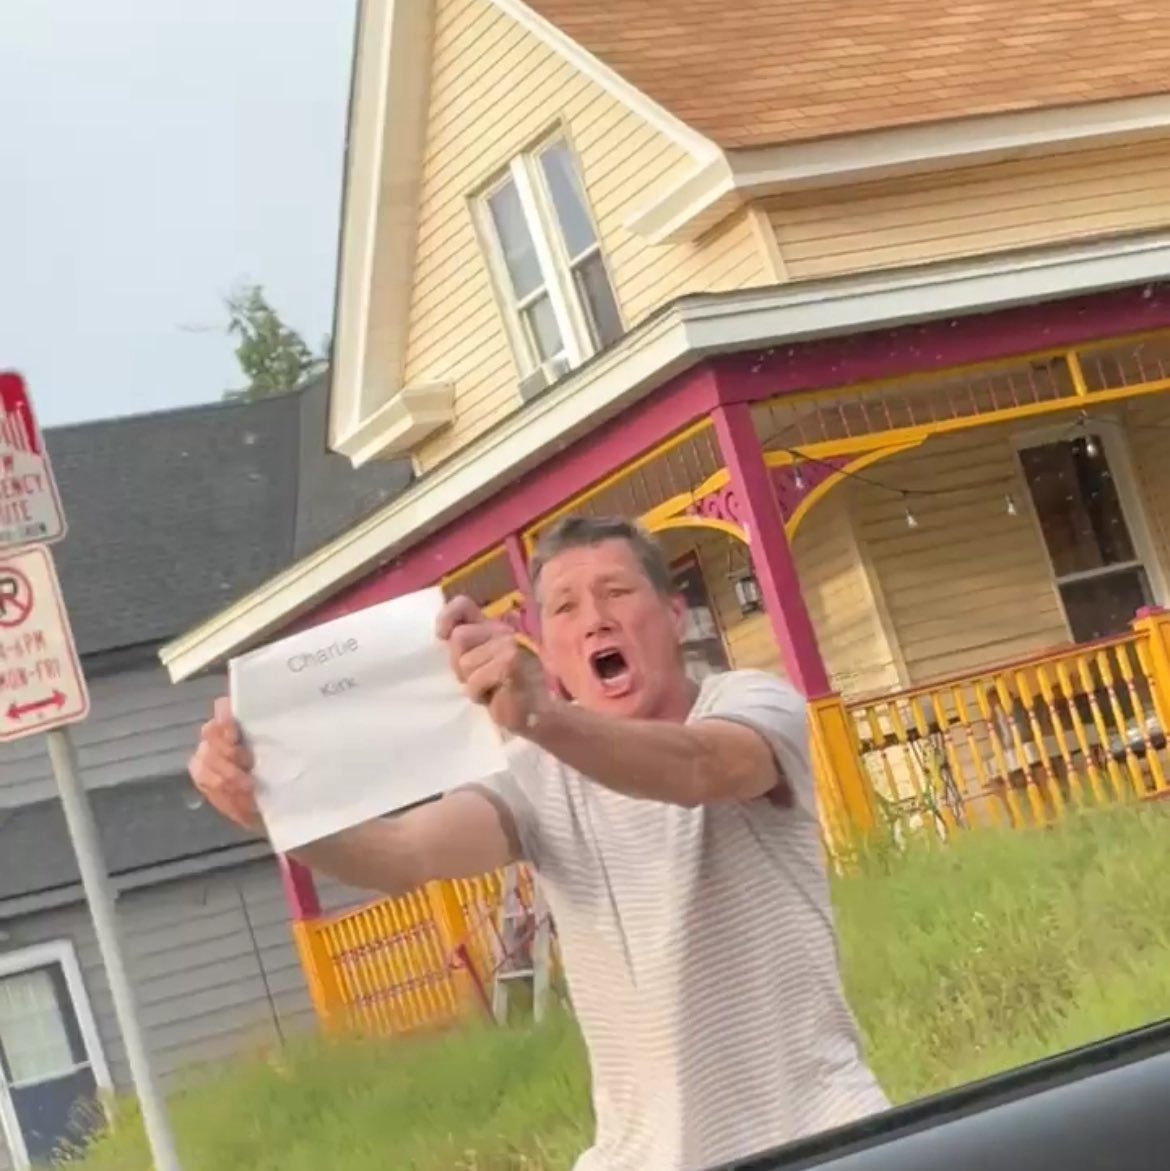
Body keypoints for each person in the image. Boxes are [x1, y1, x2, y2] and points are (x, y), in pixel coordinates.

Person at [188, 515, 888, 1171]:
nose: (596, 619)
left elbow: (700, 768)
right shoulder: (532, 774)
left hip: (818, 1131)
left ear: (675, 615)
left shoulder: (752, 703)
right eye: (565, 607)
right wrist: (277, 811)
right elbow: (401, 852)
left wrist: (541, 717)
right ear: (546, 646)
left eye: (617, 592)